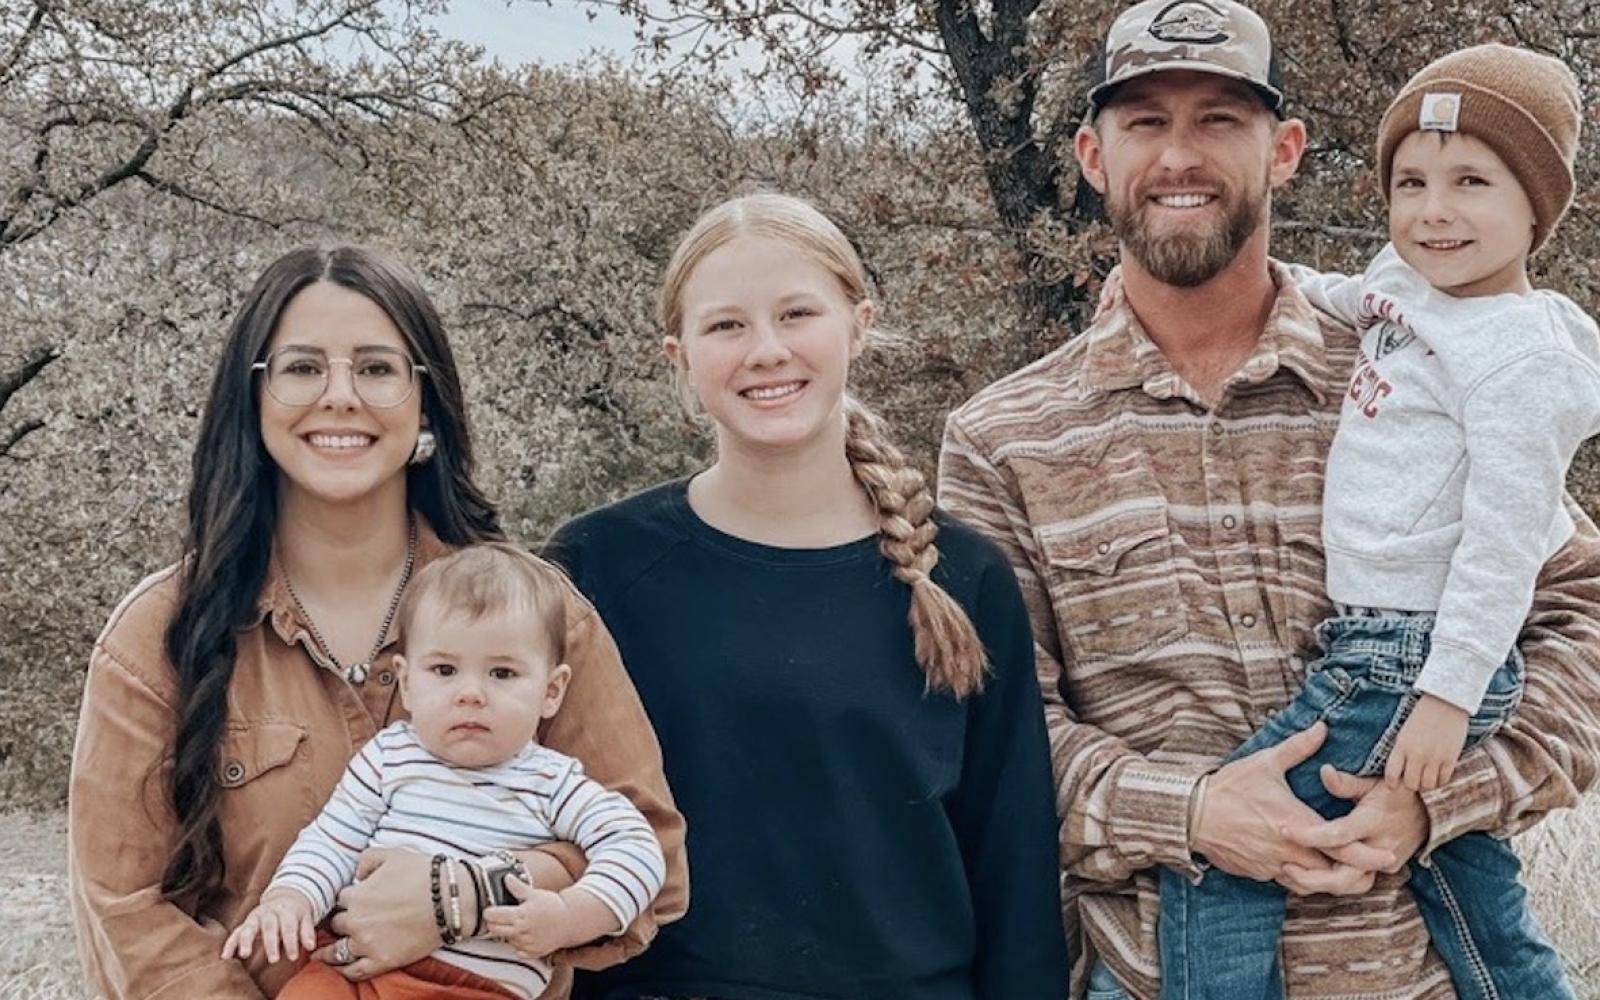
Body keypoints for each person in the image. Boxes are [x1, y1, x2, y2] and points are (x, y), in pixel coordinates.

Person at [936, 3, 1600, 998]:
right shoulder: (1003, 437)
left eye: (1218, 119)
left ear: (1283, 149)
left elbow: (1579, 621)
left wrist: (1438, 799)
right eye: (1145, 121)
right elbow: (994, 741)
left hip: (1415, 975)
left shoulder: (1418, 365)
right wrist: (1191, 812)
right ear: (1090, 153)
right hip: (1155, 970)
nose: (1179, 155)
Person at [69, 246, 687, 1000]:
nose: (340, 396)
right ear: (253, 397)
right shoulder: (158, 634)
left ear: (424, 400)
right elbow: (126, 911)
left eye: (376, 368)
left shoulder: (539, 612)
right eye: (301, 368)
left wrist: (460, 900)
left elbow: (650, 856)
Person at [1150, 42, 1596, 1000]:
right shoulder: (1412, 284)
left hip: (1409, 654)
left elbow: (1507, 543)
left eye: (1472, 181)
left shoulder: (1521, 362)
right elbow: (1344, 293)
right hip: (1379, 642)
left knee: (1222, 859)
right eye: (1411, 181)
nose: (1435, 210)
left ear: (1536, 208)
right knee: (1465, 878)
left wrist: (1446, 692)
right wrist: (1268, 284)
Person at [547, 192, 1068, 999]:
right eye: (725, 326)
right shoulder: (599, 567)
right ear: (676, 355)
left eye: (797, 314)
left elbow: (1017, 883)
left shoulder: (963, 579)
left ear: (859, 324)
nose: (766, 351)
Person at [221, 543, 669, 1000]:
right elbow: (332, 840)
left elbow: (639, 849)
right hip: (355, 971)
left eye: (502, 673)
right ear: (408, 681)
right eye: (445, 669)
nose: (470, 693)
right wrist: (290, 897)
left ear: (551, 690)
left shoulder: (553, 783)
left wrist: (570, 914)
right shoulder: (389, 756)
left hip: (480, 988)